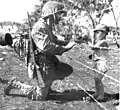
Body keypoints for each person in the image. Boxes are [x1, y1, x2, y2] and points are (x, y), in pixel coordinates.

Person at [4, 1, 76, 100]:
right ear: (52, 14)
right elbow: (46, 47)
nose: (61, 17)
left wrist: (67, 42)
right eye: (59, 14)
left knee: (65, 70)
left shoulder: (46, 27)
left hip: (48, 61)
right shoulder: (40, 27)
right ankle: (16, 84)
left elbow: (55, 40)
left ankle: (46, 85)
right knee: (39, 97)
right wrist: (65, 48)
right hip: (42, 63)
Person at [88, 24, 110, 100]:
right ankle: (97, 92)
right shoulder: (99, 41)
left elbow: (93, 47)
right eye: (96, 33)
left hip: (102, 63)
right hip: (97, 62)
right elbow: (96, 50)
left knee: (98, 79)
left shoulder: (104, 41)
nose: (96, 34)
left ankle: (102, 95)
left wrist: (86, 41)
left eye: (98, 32)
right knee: (96, 79)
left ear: (104, 33)